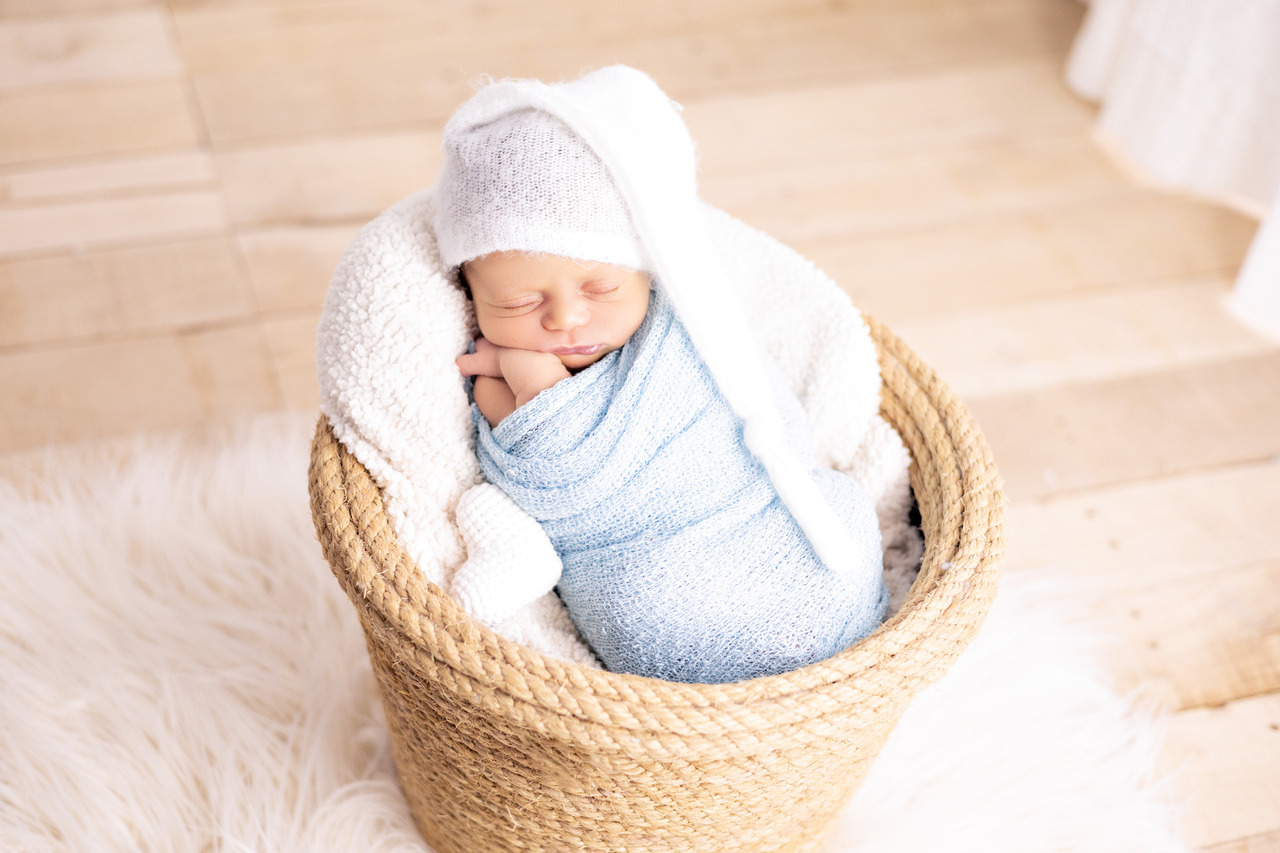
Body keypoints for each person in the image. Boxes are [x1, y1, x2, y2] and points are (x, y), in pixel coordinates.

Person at [437, 67, 889, 683]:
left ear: (652, 272)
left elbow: (757, 402)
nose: (567, 319)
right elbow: (542, 444)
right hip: (658, 582)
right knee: (645, 602)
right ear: (469, 291)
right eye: (517, 304)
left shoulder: (687, 325)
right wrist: (526, 379)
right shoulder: (505, 368)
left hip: (774, 525)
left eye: (603, 287)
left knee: (835, 518)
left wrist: (518, 360)